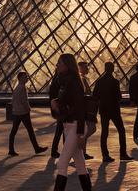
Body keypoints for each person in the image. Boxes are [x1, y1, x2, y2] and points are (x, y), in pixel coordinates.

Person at [51, 54, 92, 191]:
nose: (57, 65)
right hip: (68, 126)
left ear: (67, 65)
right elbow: (67, 105)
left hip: (75, 127)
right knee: (80, 166)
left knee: (62, 165)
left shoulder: (73, 83)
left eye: (59, 63)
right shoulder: (64, 82)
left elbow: (80, 109)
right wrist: (55, 103)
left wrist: (80, 134)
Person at [92, 61, 134, 163]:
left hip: (104, 109)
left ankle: (105, 155)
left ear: (105, 69)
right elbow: (118, 97)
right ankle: (123, 153)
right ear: (113, 69)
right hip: (114, 109)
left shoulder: (99, 82)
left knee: (104, 133)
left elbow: (95, 96)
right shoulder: (115, 82)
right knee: (121, 130)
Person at [8, 72, 48, 156]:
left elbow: (13, 101)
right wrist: (28, 109)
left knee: (13, 132)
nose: (27, 78)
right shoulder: (23, 87)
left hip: (16, 113)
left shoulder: (16, 88)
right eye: (25, 76)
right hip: (23, 113)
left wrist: (15, 110)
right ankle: (36, 148)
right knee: (30, 131)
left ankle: (11, 149)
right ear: (21, 78)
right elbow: (24, 101)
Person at [78, 61, 97, 160]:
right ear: (80, 68)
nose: (87, 69)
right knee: (92, 128)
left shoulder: (82, 79)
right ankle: (82, 144)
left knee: (87, 129)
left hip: (84, 108)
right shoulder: (81, 79)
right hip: (86, 108)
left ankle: (83, 152)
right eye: (85, 67)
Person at [48, 65, 64, 158]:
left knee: (59, 130)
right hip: (60, 109)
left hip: (57, 109)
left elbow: (51, 98)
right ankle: (58, 150)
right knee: (62, 130)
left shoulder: (54, 82)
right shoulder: (58, 83)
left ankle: (54, 150)